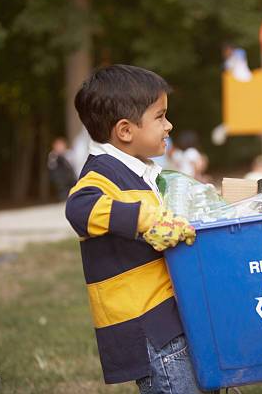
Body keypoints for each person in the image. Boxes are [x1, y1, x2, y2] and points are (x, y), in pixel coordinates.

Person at [65, 65, 204, 393]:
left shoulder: (141, 173)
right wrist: (146, 219)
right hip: (150, 328)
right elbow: (78, 209)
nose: (169, 125)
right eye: (160, 116)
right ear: (125, 131)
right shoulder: (100, 176)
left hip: (168, 317)